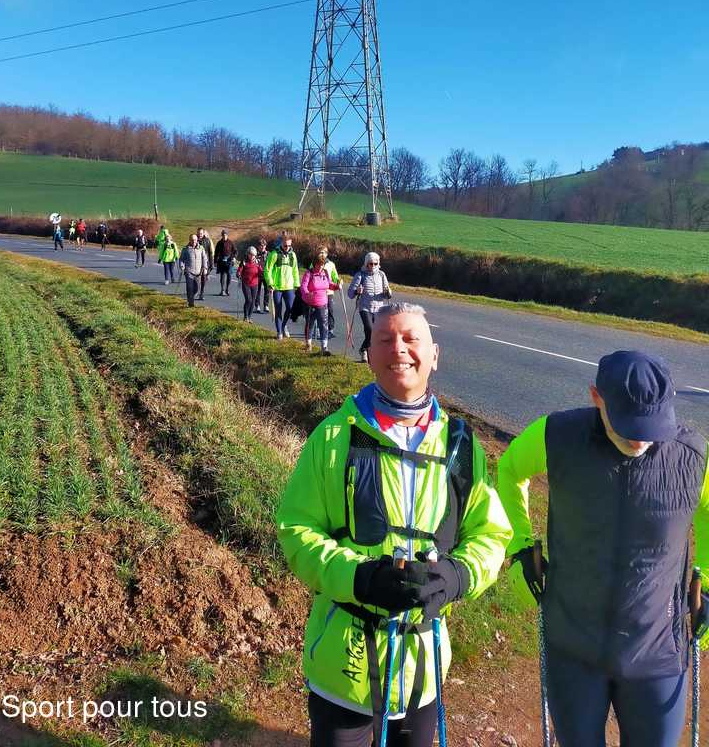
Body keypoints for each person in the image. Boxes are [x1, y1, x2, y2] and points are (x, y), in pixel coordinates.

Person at [277, 302, 511, 747]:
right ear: (369, 356)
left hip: (422, 667)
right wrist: (360, 579)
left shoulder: (461, 447)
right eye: (385, 340)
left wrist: (457, 576)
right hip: (343, 666)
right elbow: (297, 531)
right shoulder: (333, 437)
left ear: (434, 355)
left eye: (411, 339)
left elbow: (490, 534)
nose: (399, 349)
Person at [497, 350, 709, 747]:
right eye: (628, 422)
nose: (640, 437)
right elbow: (509, 471)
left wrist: (707, 577)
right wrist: (521, 545)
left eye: (652, 424)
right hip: (573, 645)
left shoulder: (694, 454)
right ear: (596, 397)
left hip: (657, 649)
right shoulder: (555, 435)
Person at [348, 251, 392, 362]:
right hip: (365, 307)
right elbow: (350, 294)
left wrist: (388, 292)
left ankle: (365, 350)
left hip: (379, 308)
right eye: (370, 264)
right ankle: (365, 351)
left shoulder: (381, 275)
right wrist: (357, 291)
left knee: (376, 332)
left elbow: (387, 293)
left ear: (378, 264)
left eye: (375, 264)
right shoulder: (360, 275)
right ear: (366, 263)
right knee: (370, 329)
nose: (373, 266)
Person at [300, 249, 341, 355]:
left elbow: (329, 284)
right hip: (310, 303)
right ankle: (308, 344)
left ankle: (324, 348)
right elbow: (303, 286)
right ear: (315, 264)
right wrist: (307, 293)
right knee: (310, 324)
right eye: (319, 265)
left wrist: (337, 286)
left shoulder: (325, 273)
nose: (321, 267)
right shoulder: (309, 273)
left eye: (322, 265)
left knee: (323, 325)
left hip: (322, 303)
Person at [264, 235, 300, 340]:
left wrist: (297, 285)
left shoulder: (293, 255)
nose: (287, 247)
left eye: (289, 245)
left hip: (289, 286)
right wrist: (270, 283)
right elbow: (267, 270)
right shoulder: (274, 254)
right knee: (278, 310)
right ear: (281, 243)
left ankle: (283, 326)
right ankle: (279, 332)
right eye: (285, 245)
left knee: (290, 308)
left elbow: (295, 270)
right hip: (277, 287)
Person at [179, 234, 209, 307]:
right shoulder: (185, 249)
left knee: (196, 289)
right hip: (189, 272)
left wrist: (205, 268)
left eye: (195, 240)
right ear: (189, 240)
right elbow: (181, 259)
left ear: (197, 240)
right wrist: (182, 267)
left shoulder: (201, 248)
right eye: (192, 240)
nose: (194, 241)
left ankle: (190, 298)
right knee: (189, 288)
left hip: (198, 273)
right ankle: (191, 303)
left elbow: (204, 258)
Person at [237, 247, 262, 321]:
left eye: (253, 255)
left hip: (255, 284)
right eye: (250, 254)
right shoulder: (244, 262)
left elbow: (261, 271)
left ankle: (249, 317)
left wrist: (263, 274)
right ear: (247, 254)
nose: (252, 256)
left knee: (253, 301)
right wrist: (238, 273)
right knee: (248, 300)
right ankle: (245, 317)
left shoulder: (257, 262)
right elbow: (239, 270)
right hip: (246, 283)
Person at [320, 245, 340, 336]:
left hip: (329, 291)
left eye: (323, 253)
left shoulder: (331, 264)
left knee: (330, 310)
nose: (322, 254)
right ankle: (320, 328)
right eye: (320, 253)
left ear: (327, 254)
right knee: (320, 311)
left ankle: (330, 329)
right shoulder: (314, 263)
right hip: (319, 292)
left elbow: (335, 276)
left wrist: (338, 281)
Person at [214, 229, 236, 296]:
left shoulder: (230, 242)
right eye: (223, 235)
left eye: (225, 235)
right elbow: (216, 253)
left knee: (229, 275)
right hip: (221, 261)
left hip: (229, 261)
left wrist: (233, 257)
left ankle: (227, 289)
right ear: (222, 235)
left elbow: (235, 251)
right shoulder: (219, 243)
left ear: (227, 235)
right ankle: (222, 290)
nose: (224, 236)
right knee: (222, 275)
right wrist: (215, 261)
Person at [196, 227, 214, 300]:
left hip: (204, 262)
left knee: (203, 277)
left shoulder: (207, 241)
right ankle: (196, 290)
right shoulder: (194, 240)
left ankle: (202, 293)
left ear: (203, 233)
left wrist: (211, 263)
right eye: (198, 233)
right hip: (196, 262)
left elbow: (210, 252)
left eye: (201, 233)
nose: (199, 235)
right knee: (196, 278)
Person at [254, 236, 270, 313]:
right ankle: (257, 306)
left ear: (265, 246)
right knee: (257, 291)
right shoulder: (255, 254)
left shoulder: (269, 254)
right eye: (261, 245)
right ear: (258, 246)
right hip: (257, 275)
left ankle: (266, 305)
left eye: (264, 245)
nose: (262, 247)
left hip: (266, 275)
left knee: (267, 291)